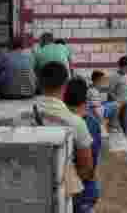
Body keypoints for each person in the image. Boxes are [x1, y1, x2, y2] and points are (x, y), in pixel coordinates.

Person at [34, 63, 94, 205]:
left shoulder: (22, 115)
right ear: (65, 86)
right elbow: (87, 168)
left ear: (38, 83)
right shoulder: (76, 122)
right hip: (61, 188)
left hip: (33, 180)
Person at [64, 76, 102, 213]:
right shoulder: (90, 122)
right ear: (85, 99)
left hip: (68, 185)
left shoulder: (59, 118)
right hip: (84, 188)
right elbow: (89, 166)